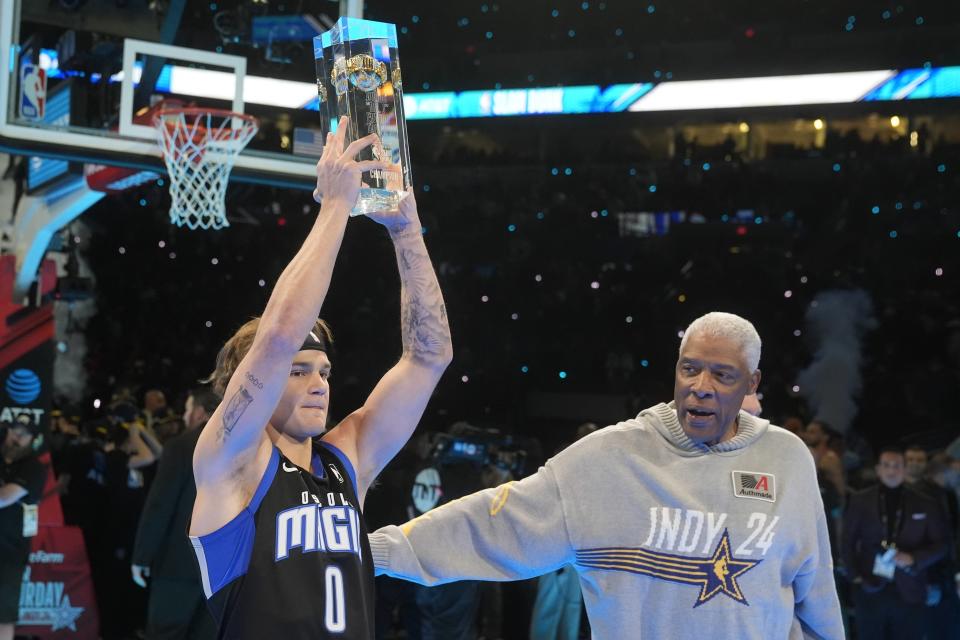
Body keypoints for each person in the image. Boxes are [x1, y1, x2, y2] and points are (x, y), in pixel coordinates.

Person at [370, 312, 843, 639]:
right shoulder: (609, 457)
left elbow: (816, 592)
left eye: (722, 375)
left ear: (751, 384)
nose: (701, 388)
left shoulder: (788, 459)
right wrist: (372, 550)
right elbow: (495, 521)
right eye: (690, 369)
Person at [188, 117, 453, 639]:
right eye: (299, 372)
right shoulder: (229, 462)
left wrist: (406, 232)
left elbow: (429, 357)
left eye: (325, 371)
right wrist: (335, 206)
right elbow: (280, 335)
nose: (320, 383)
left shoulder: (343, 461)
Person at [132, 387, 221, 640]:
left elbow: (161, 505)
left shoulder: (181, 447)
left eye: (187, 409)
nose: (184, 416)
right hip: (222, 569)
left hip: (176, 566)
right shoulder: (245, 448)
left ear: (199, 413)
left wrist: (142, 555)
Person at [841, 446, 949, 640]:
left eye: (896, 466)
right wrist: (855, 577)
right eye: (886, 465)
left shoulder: (926, 502)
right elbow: (847, 541)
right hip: (869, 584)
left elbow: (941, 544)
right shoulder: (860, 500)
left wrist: (914, 558)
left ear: (905, 469)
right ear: (878, 469)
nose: (891, 471)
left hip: (910, 587)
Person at [0, 415, 48, 640]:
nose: (15, 438)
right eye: (13, 431)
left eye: (23, 434)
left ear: (33, 439)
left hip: (10, 550)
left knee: (3, 614)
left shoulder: (34, 468)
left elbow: (5, 497)